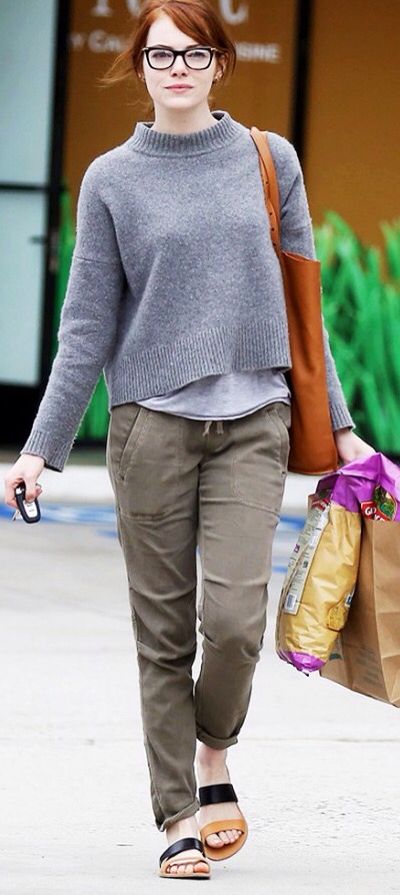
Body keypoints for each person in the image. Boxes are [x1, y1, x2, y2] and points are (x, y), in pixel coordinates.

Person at [4, 0, 374, 880]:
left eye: (195, 51)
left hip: (255, 422)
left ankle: (215, 749)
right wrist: (39, 448)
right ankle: (178, 812)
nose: (178, 66)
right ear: (139, 65)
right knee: (162, 634)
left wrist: (346, 428)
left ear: (218, 63)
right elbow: (86, 322)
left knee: (239, 623)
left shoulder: (267, 158)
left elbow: (303, 306)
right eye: (161, 53)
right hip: (149, 430)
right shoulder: (111, 179)